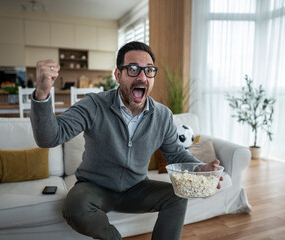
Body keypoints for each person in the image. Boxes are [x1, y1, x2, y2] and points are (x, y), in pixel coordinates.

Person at [30, 41, 222, 240]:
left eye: (148, 70)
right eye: (133, 69)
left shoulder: (163, 115)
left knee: (178, 195)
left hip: (136, 188)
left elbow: (175, 153)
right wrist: (42, 95)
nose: (142, 77)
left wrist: (199, 169)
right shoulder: (94, 105)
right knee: (75, 207)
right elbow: (49, 137)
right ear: (118, 75)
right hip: (95, 187)